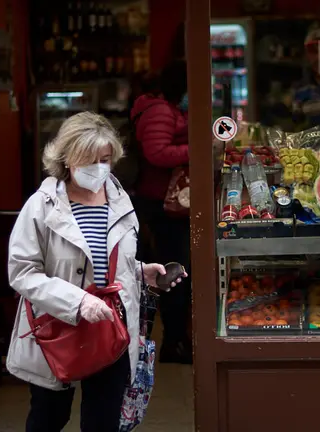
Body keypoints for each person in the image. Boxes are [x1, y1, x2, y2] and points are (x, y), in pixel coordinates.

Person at [6, 112, 184, 432]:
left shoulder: (120, 200)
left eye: (105, 159)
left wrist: (141, 273)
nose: (98, 168)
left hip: (108, 328)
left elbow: (111, 260)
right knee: (49, 418)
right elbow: (22, 271)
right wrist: (78, 302)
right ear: (66, 159)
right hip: (55, 330)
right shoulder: (42, 206)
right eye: (89, 160)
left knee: (103, 421)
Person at [130, 59, 193, 364]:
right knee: (172, 273)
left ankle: (176, 339)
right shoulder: (159, 111)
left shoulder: (170, 109)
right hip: (160, 205)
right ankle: (171, 342)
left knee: (176, 271)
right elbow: (156, 152)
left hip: (170, 203)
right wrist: (196, 149)